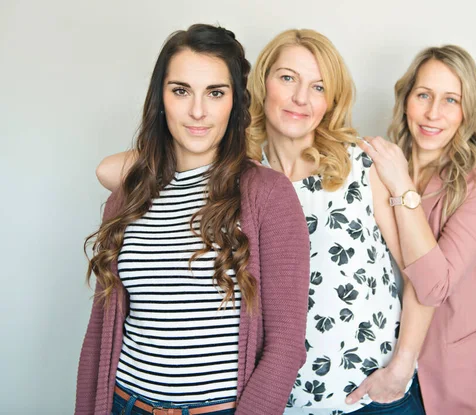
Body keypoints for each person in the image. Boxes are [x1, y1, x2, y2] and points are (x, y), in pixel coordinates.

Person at [96, 29, 430, 415]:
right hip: (279, 401)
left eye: (319, 86)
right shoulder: (241, 172)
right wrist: (191, 134)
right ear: (260, 84)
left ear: (332, 99)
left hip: (368, 395)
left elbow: (424, 276)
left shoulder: (361, 165)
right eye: (287, 78)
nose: (301, 98)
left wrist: (401, 368)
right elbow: (110, 171)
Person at [75, 24, 310, 415]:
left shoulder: (268, 195)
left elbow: (286, 346)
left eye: (215, 93)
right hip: (125, 404)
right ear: (160, 98)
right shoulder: (128, 196)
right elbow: (99, 335)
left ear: (235, 102)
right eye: (181, 90)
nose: (197, 110)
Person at [357, 45, 476, 414]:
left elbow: (435, 285)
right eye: (423, 95)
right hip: (371, 360)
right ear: (406, 98)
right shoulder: (368, 170)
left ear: (467, 111)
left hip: (451, 371)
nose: (433, 113)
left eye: (451, 100)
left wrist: (403, 188)